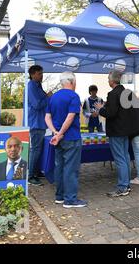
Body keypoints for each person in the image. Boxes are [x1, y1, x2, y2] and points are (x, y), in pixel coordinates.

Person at [45, 71, 87, 208]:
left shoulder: (53, 97)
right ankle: (70, 200)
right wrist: (61, 133)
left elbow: (47, 117)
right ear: (72, 82)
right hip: (71, 137)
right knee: (71, 169)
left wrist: (55, 132)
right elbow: (70, 117)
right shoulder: (74, 96)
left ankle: (60, 197)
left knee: (60, 167)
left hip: (57, 138)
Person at [96, 70, 133, 197]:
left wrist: (101, 109)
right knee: (125, 157)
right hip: (126, 130)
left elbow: (111, 113)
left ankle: (122, 187)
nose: (107, 81)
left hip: (116, 131)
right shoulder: (127, 93)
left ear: (112, 80)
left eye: (108, 78)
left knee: (120, 159)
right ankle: (126, 185)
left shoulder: (112, 94)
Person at [27, 65, 52, 186]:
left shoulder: (37, 85)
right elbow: (36, 104)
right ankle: (31, 175)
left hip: (40, 121)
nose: (42, 76)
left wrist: (46, 97)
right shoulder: (31, 86)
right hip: (35, 122)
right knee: (35, 149)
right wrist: (48, 98)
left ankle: (36, 171)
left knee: (39, 149)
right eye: (39, 74)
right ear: (32, 75)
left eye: (42, 73)